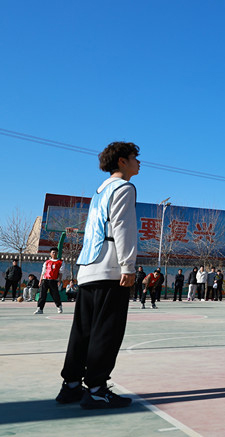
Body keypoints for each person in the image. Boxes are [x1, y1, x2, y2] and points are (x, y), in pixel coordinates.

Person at [57, 140, 139, 409]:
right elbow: (123, 228)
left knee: (82, 331)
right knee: (107, 331)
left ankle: (71, 385)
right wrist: (127, 266)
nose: (139, 163)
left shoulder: (100, 191)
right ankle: (96, 389)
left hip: (88, 267)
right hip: (109, 267)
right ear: (122, 161)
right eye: (134, 157)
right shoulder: (124, 188)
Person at [36, 247, 63, 314]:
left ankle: (59, 306)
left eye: (56, 252)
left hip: (53, 280)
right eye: (53, 252)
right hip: (45, 280)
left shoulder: (60, 262)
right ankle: (40, 309)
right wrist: (40, 280)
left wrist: (59, 281)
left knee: (55, 295)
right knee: (42, 295)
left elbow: (60, 273)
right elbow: (43, 272)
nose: (54, 253)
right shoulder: (47, 262)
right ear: (50, 253)